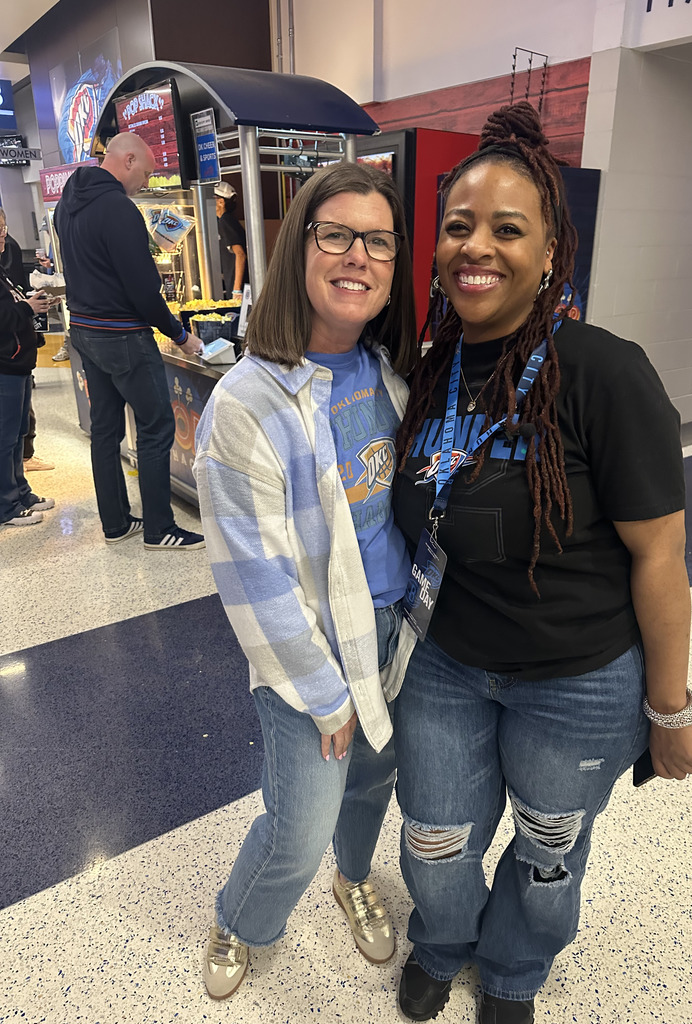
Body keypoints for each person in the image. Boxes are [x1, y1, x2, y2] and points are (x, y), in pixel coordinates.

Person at [391, 101, 692, 1024]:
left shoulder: (604, 370)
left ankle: (516, 970)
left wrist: (670, 710)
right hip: (444, 666)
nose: (475, 247)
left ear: (551, 253)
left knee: (547, 847)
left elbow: (662, 555)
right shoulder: (433, 363)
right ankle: (443, 943)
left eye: (506, 229)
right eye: (458, 226)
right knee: (436, 841)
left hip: (578, 681)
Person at [192, 161, 418, 1001]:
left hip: (398, 633)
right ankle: (241, 917)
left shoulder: (394, 374)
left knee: (372, 785)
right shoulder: (249, 403)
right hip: (310, 660)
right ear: (299, 248)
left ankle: (352, 879)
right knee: (299, 826)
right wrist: (327, 694)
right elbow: (250, 576)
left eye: (378, 240)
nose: (357, 255)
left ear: (395, 266)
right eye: (335, 234)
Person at [56, 132, 206, 549]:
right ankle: (160, 529)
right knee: (156, 427)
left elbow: (97, 266)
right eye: (146, 171)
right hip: (123, 337)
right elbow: (143, 292)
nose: (147, 180)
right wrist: (180, 336)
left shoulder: (69, 202)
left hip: (85, 331)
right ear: (126, 159)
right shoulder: (120, 209)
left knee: (105, 432)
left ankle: (116, 523)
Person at [0, 207, 57, 527]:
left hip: (19, 365)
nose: (3, 236)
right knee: (6, 437)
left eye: (5, 228)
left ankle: (20, 491)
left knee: (19, 434)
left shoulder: (4, 269)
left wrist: (32, 302)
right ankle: (6, 505)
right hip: (5, 366)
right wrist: (25, 308)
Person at [214, 181, 248, 301]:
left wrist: (237, 289)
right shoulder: (225, 220)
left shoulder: (226, 221)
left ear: (221, 202)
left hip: (239, 288)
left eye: (213, 197)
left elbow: (240, 254)